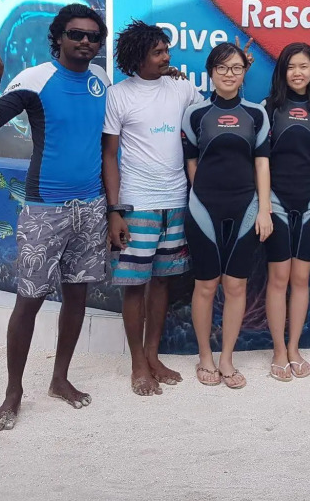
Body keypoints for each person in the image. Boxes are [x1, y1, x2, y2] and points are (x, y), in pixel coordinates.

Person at [0, 4, 110, 431]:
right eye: (76, 34)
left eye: (93, 36)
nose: (85, 41)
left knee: (77, 296)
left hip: (92, 207)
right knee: (29, 301)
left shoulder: (101, 80)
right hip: (45, 209)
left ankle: (59, 379)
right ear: (59, 37)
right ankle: (13, 393)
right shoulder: (35, 79)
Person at [101, 20, 204, 396]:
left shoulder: (182, 87)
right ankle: (137, 364)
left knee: (162, 282)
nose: (166, 57)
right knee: (134, 286)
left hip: (175, 202)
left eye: (166, 50)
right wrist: (115, 210)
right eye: (158, 52)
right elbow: (109, 155)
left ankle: (153, 356)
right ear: (137, 57)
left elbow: (209, 116)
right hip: (136, 205)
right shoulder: (118, 95)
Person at [182, 42, 273, 389]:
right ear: (211, 72)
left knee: (236, 286)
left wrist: (264, 209)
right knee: (206, 286)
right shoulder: (195, 114)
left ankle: (227, 359)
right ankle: (205, 356)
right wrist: (203, 194)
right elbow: (191, 161)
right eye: (222, 68)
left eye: (236, 68)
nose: (229, 74)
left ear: (244, 72)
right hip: (203, 209)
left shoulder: (256, 114)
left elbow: (262, 164)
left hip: (246, 208)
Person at [262, 43, 310, 381]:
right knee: (278, 279)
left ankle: (294, 348)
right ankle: (278, 350)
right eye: (291, 67)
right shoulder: (269, 108)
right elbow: (260, 160)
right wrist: (264, 205)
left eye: (304, 66)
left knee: (301, 279)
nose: (297, 73)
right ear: (283, 71)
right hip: (276, 202)